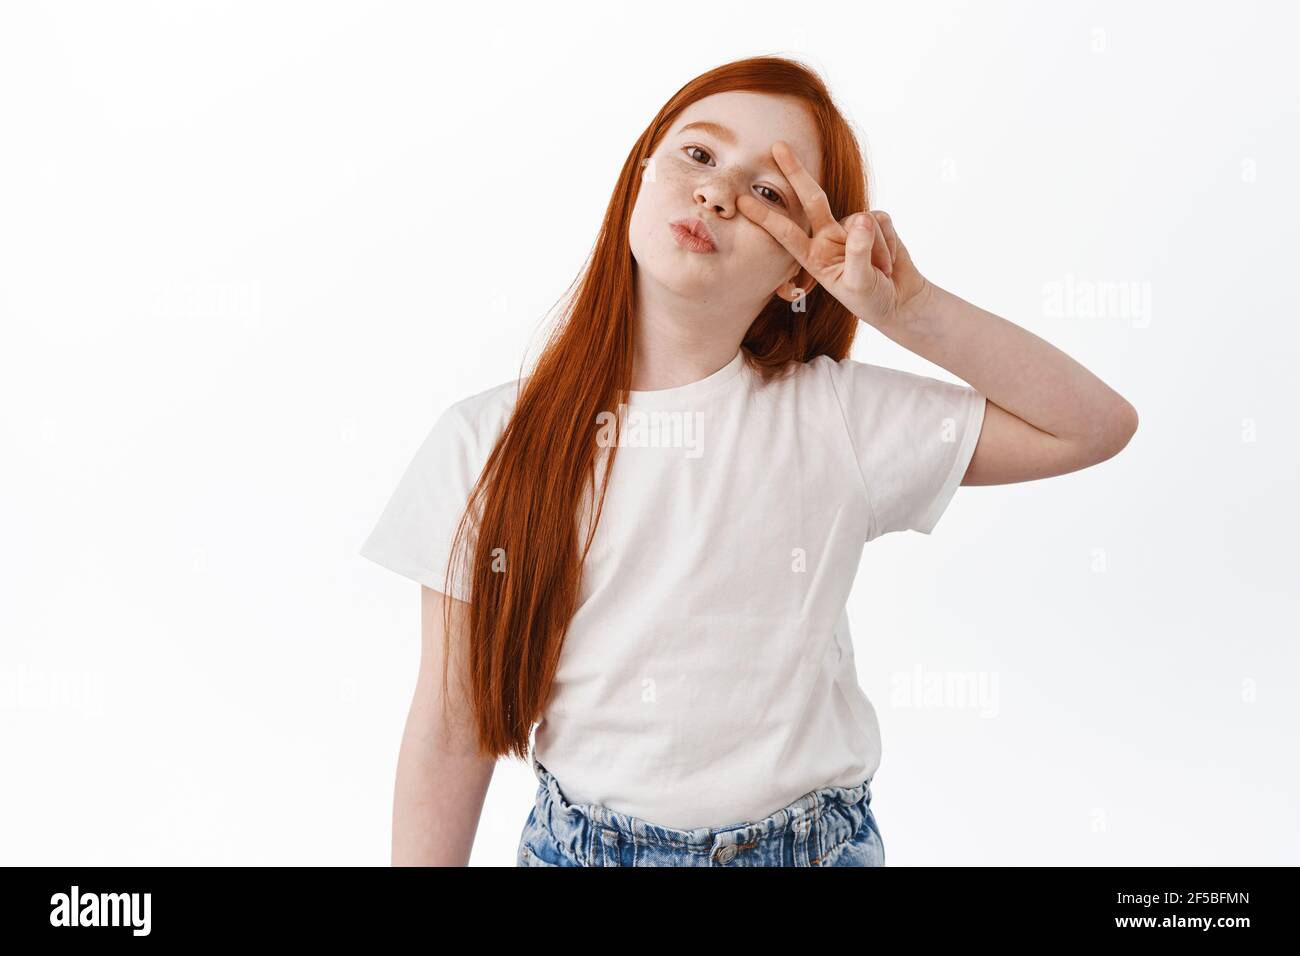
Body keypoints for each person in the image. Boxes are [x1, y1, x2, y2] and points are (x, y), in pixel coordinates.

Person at [359, 55, 1139, 867]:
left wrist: (914, 312)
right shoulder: (484, 441)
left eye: (769, 191)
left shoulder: (834, 416)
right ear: (638, 177)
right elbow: (451, 728)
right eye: (698, 155)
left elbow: (1092, 426)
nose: (718, 194)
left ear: (801, 273)